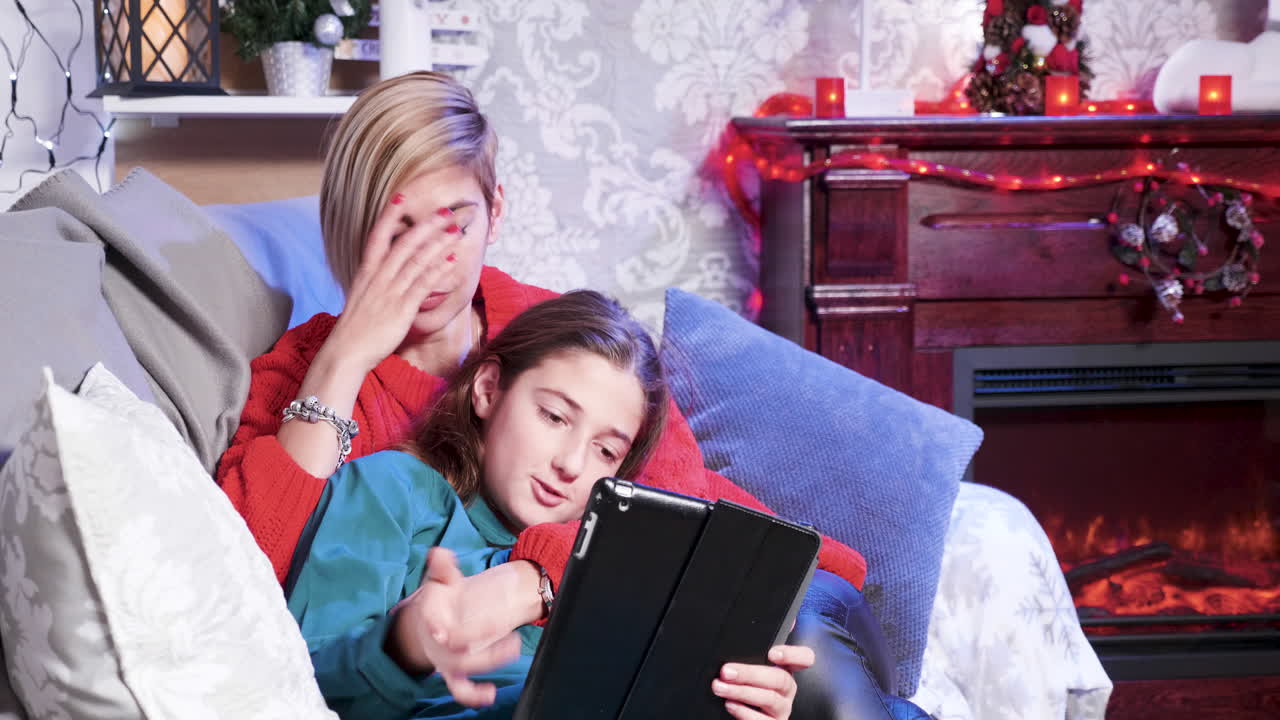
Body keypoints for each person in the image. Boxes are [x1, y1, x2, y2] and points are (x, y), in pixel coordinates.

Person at [215, 71, 926, 720]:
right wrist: (343, 360)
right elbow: (248, 584)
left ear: (496, 210)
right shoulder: (314, 380)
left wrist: (533, 582)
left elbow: (672, 517)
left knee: (818, 697)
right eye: (399, 228)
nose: (430, 260)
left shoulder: (562, 335)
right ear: (349, 226)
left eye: (456, 224)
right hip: (599, 656)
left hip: (777, 594)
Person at [287, 290, 815, 720]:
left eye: (605, 450)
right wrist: (403, 644)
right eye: (555, 417)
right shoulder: (390, 490)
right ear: (489, 389)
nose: (570, 463)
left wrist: (743, 706)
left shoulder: (623, 576)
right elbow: (297, 691)